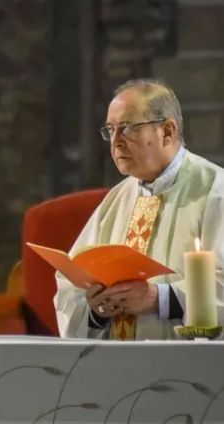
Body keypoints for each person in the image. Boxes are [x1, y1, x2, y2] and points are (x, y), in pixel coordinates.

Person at [54, 78, 224, 340]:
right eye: (110, 130)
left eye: (128, 128)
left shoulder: (215, 190)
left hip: (186, 367)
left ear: (167, 131)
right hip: (115, 364)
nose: (116, 141)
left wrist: (161, 298)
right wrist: (97, 309)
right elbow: (70, 287)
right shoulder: (116, 199)